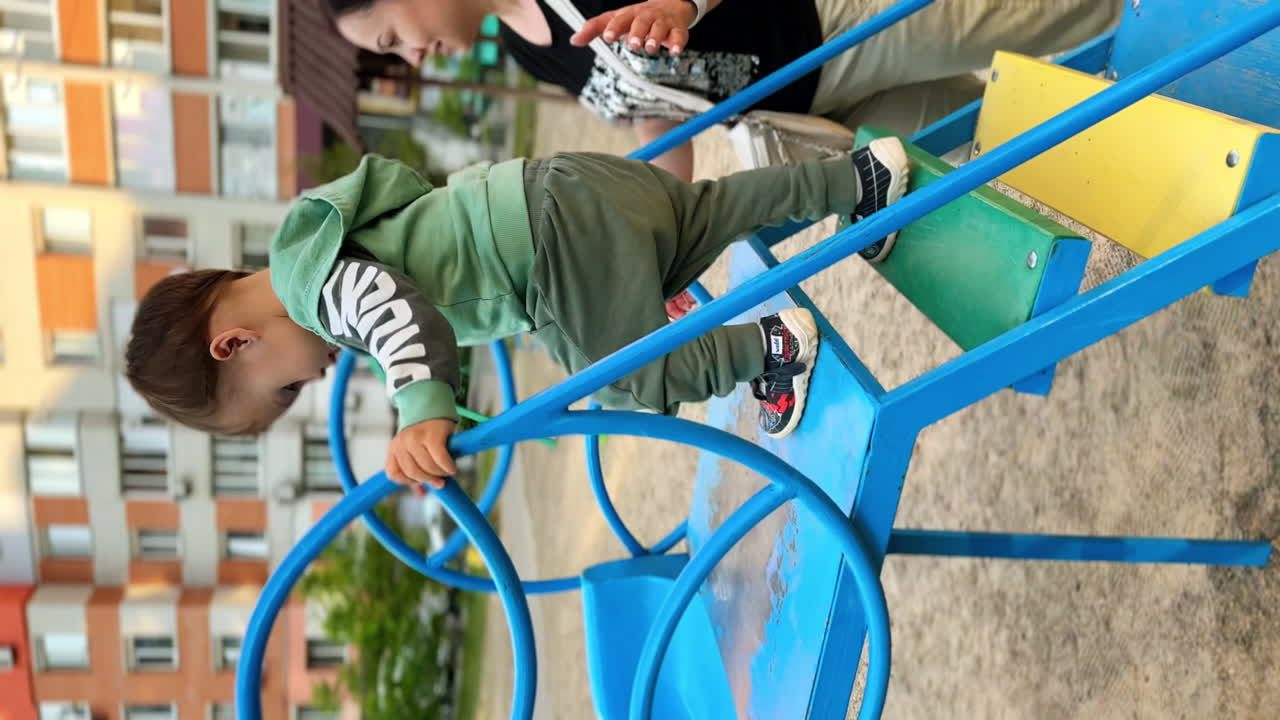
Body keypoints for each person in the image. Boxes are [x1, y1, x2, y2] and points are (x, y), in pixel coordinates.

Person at [124, 138, 911, 490]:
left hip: (549, 242)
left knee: (626, 377)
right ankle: (862, 181)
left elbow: (402, 319)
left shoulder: (316, 293)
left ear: (234, 342)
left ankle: (770, 347)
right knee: (702, 217)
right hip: (560, 186)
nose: (316, 377)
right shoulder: (312, 233)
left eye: (283, 390)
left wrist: (419, 410)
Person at [326, 0, 1122, 182]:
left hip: (831, 18)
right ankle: (1208, 98)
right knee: (1014, 129)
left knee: (1060, 14)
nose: (414, 56)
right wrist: (655, 226)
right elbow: (649, 120)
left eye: (391, 37)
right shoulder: (527, 54)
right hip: (812, 110)